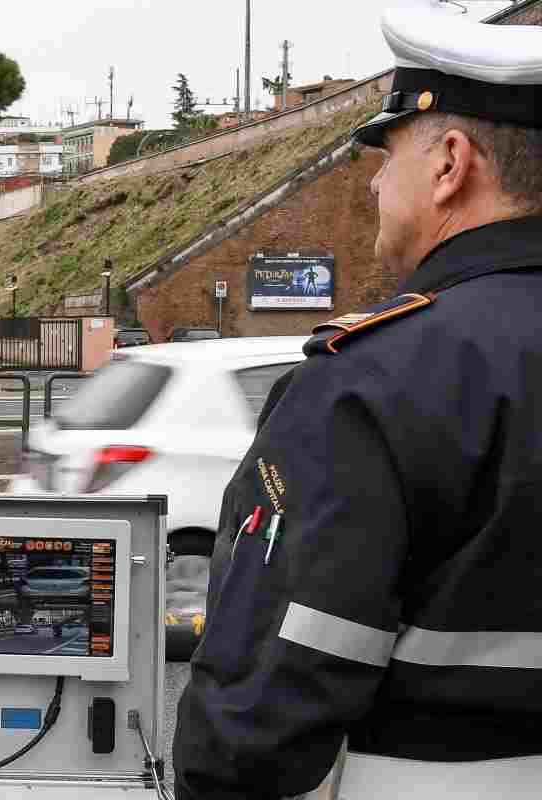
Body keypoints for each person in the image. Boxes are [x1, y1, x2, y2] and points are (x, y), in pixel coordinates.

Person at [174, 3, 542, 798]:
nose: (374, 181)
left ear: (450, 162)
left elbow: (261, 715)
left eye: (388, 153)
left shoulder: (375, 379)